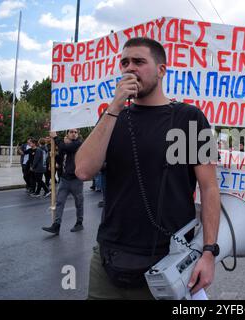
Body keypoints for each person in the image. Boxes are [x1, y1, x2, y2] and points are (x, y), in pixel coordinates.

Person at [74, 37, 220, 300]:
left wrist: (208, 251)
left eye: (139, 62)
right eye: (124, 63)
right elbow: (83, 171)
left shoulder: (191, 118)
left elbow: (209, 188)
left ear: (162, 70)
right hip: (109, 256)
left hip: (167, 260)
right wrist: (114, 107)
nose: (130, 68)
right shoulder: (112, 118)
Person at [42, 129, 84, 234]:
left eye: (75, 132)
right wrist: (54, 155)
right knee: (59, 202)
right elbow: (60, 158)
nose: (74, 133)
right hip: (64, 179)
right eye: (71, 132)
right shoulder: (65, 145)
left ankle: (79, 223)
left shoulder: (78, 143)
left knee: (79, 203)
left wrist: (55, 137)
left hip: (76, 179)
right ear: (67, 134)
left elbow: (66, 148)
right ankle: (56, 225)